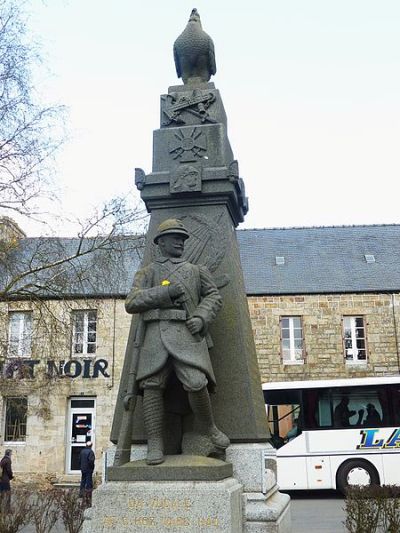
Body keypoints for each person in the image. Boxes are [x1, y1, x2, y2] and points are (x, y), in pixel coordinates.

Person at [125, 218, 230, 465]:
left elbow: (213, 296)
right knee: (152, 385)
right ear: (160, 242)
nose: (180, 242)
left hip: (187, 334)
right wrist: (166, 292)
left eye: (182, 239)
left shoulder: (196, 270)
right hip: (155, 335)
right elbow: (132, 302)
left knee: (196, 382)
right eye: (174, 238)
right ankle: (154, 444)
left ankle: (210, 429)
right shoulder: (148, 272)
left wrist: (202, 317)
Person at [78, 442, 95, 506]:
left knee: (83, 480)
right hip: (88, 468)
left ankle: (81, 493)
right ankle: (88, 494)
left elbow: (79, 460)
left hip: (83, 468)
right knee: (89, 481)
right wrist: (92, 467)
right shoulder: (91, 452)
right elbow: (91, 461)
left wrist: (81, 466)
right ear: (91, 445)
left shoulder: (82, 451)